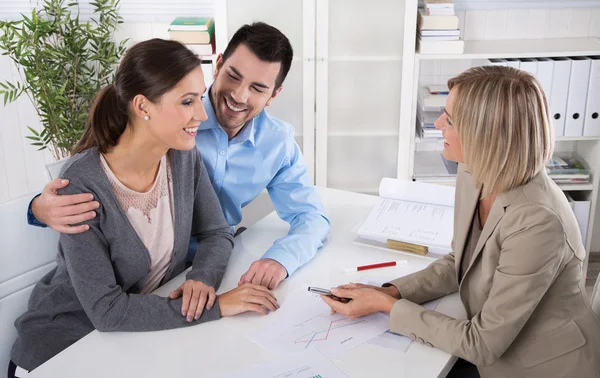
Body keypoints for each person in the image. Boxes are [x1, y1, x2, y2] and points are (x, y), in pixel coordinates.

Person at [8, 39, 280, 376]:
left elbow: (215, 232)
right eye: (186, 101)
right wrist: (218, 307)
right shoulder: (82, 184)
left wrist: (203, 279)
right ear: (143, 106)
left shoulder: (183, 158)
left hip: (135, 341)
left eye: (199, 97)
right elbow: (106, 311)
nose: (201, 113)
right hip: (65, 349)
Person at [319, 66, 600, 378]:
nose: (438, 124)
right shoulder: (474, 171)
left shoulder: (537, 222)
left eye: (450, 120)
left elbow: (481, 344)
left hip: (537, 366)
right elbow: (461, 262)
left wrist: (386, 308)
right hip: (490, 341)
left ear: (487, 136)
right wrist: (392, 292)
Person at [27, 22, 330, 290]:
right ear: (219, 64)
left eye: (257, 88)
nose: (239, 96)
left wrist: (281, 260)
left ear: (274, 94)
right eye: (233, 77)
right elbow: (95, 172)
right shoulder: (166, 119)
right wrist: (38, 208)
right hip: (139, 275)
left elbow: (311, 216)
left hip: (213, 263)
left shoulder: (277, 143)